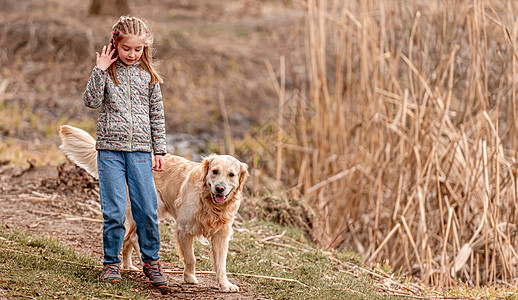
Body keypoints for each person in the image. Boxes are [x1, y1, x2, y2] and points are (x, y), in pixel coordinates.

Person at [83, 16, 168, 288]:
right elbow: (91, 102)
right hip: (110, 152)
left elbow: (157, 115)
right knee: (115, 210)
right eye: (126, 49)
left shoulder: (149, 77)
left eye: (138, 49)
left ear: (145, 49)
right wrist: (99, 69)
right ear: (115, 45)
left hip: (141, 153)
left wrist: (160, 150)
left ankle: (151, 262)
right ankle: (111, 263)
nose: (132, 54)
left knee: (147, 209)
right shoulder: (107, 73)